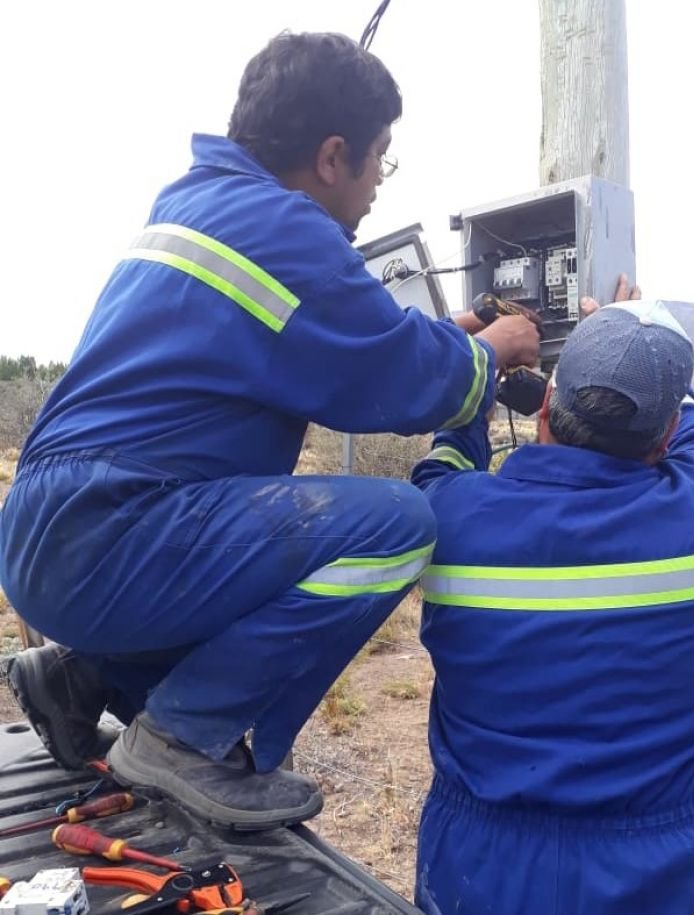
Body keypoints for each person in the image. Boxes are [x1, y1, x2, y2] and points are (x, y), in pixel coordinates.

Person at [0, 31, 538, 831]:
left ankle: (83, 679)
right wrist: (494, 351)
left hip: (52, 526)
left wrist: (448, 335)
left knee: (249, 552)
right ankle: (182, 739)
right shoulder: (288, 232)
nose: (377, 190)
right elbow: (407, 382)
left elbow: (333, 344)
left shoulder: (200, 203)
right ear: (331, 155)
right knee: (394, 526)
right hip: (115, 532)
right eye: (379, 161)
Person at [410, 287, 694, 915]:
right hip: (663, 873)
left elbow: (447, 461)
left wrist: (479, 367)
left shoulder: (449, 523)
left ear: (544, 408)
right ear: (664, 437)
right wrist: (637, 345)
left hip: (482, 869)